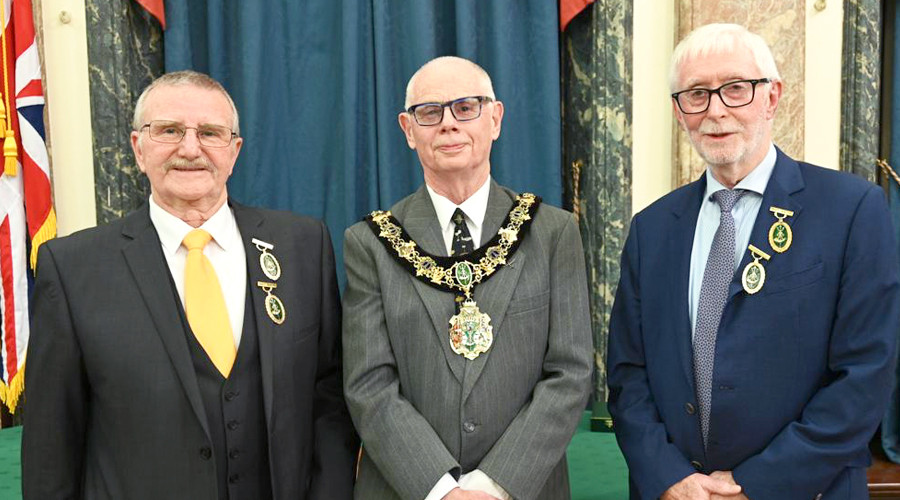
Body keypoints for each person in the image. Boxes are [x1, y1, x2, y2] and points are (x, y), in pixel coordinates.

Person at [22, 70, 358, 500]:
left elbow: (327, 402)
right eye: (169, 130)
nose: (190, 148)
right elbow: (52, 440)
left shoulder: (302, 246)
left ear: (234, 152)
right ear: (138, 149)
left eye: (210, 133)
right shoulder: (72, 268)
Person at [607, 23, 900, 500]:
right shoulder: (652, 229)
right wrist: (669, 477)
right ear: (679, 113)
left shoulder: (850, 209)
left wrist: (753, 485)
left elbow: (865, 375)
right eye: (696, 94)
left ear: (772, 96)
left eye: (735, 89)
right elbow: (627, 375)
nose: (716, 110)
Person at [342, 56, 593, 500]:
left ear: (495, 119)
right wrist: (442, 489)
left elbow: (570, 373)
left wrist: (492, 485)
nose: (448, 124)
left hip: (523, 489)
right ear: (407, 129)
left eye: (466, 108)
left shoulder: (553, 232)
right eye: (429, 112)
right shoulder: (371, 243)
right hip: (407, 490)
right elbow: (369, 385)